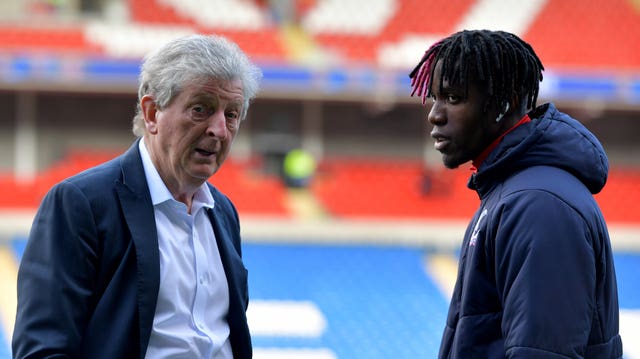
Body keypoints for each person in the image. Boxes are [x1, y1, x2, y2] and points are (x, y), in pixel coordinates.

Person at [13, 34, 262, 359]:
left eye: (231, 114)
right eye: (201, 109)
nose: (219, 129)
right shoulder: (81, 204)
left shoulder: (224, 213)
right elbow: (43, 349)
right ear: (152, 112)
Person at [409, 29, 623, 358]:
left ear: (502, 104)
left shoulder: (539, 205)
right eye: (435, 97)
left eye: (453, 98)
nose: (434, 114)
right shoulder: (512, 192)